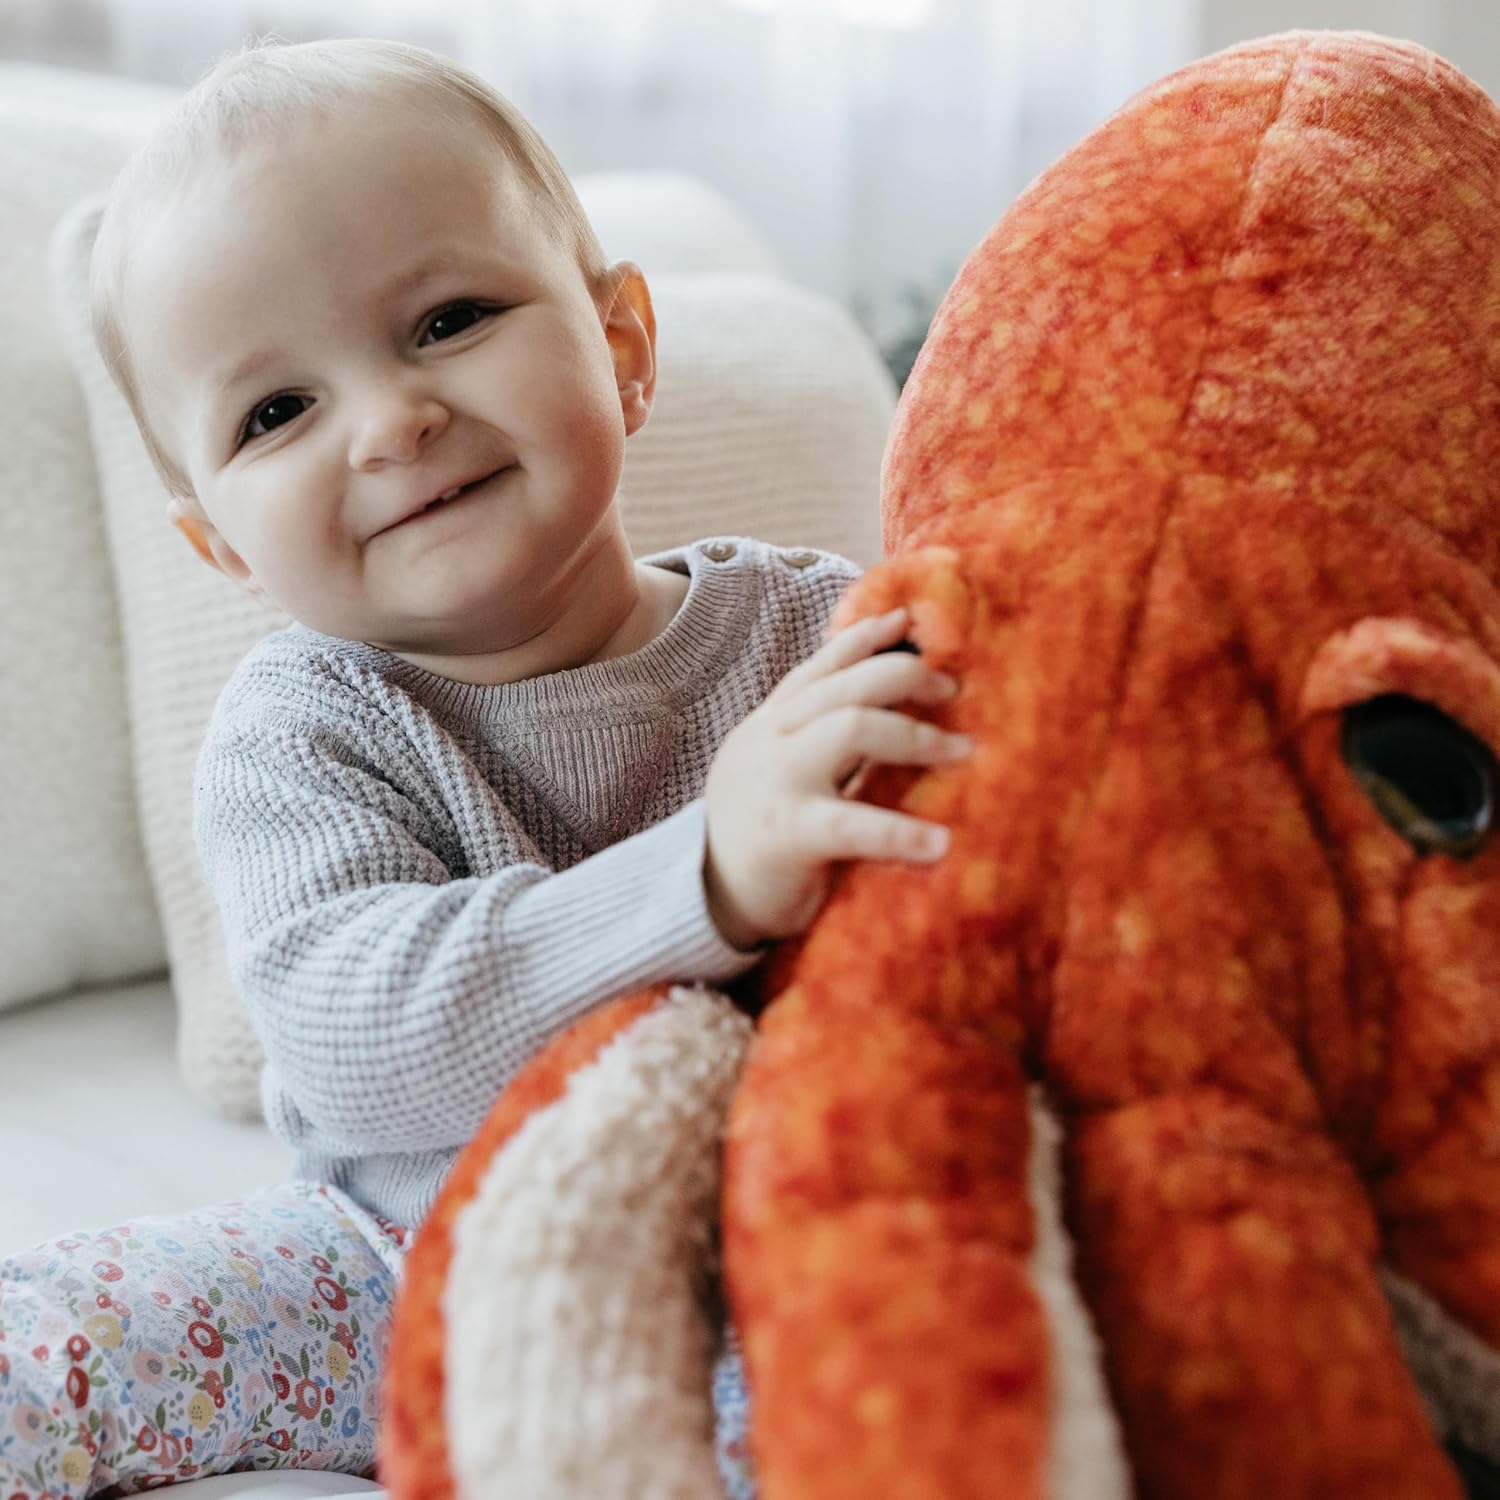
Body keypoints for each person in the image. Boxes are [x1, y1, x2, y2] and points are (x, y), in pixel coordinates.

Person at [0, 35, 970, 1497]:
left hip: (762, 1255)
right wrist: (711, 871)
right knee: (50, 1338)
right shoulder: (299, 732)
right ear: (224, 546)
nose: (393, 422)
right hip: (398, 1254)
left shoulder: (814, 633)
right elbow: (355, 1039)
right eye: (278, 412)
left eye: (449, 318)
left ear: (624, 347)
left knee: (869, 1416)